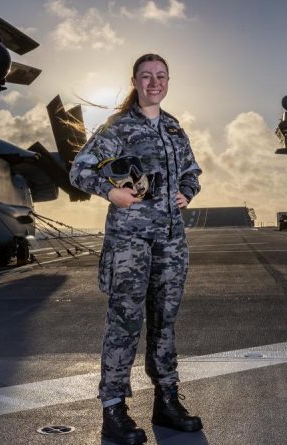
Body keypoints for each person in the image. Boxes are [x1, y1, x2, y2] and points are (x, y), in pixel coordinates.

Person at [70, 53, 202, 445]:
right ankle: (113, 409)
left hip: (171, 242)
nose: (154, 82)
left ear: (168, 80)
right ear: (135, 80)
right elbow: (80, 168)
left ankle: (166, 400)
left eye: (161, 76)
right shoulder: (119, 127)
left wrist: (186, 192)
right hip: (129, 242)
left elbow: (193, 171)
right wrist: (112, 192)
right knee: (124, 324)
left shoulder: (175, 129)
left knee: (165, 323)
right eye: (147, 76)